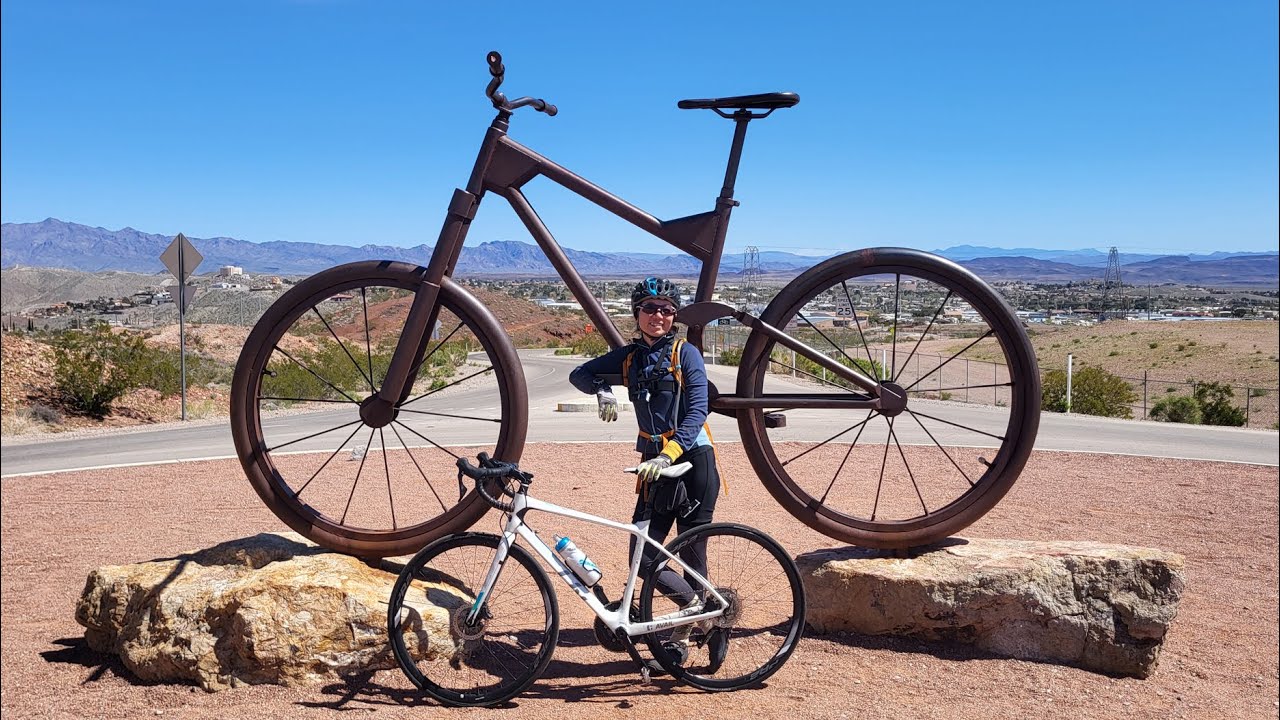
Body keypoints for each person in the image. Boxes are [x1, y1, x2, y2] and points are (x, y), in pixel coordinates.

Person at [569, 277, 726, 669]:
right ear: (637, 312)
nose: (658, 316)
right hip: (652, 465)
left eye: (667, 309)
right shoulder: (629, 358)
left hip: (693, 461)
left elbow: (698, 411)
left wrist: (670, 452)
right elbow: (580, 374)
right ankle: (701, 611)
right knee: (643, 555)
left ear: (675, 316)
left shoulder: (684, 353)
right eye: (650, 308)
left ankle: (682, 638)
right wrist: (602, 390)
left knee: (691, 553)